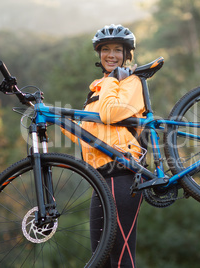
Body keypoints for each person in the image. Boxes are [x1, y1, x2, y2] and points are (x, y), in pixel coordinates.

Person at [62, 24, 145, 267]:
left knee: (120, 258)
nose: (111, 55)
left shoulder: (131, 82)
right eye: (105, 49)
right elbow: (88, 136)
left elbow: (111, 114)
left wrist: (111, 79)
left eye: (117, 50)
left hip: (122, 174)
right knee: (99, 260)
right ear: (99, 54)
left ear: (127, 54)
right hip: (99, 178)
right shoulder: (96, 91)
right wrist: (61, 122)